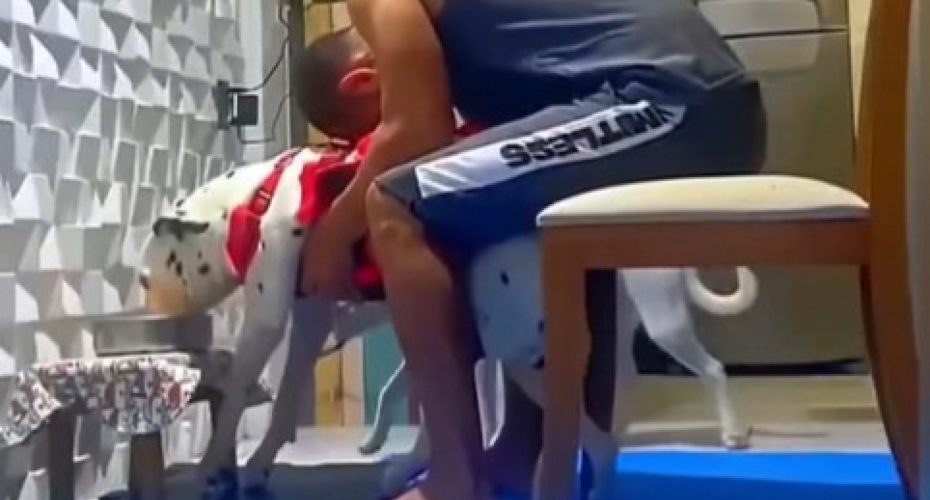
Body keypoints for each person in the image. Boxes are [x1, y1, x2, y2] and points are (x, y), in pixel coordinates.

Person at [298, 1, 767, 499]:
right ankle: (520, 455)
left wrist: (333, 233)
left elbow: (416, 128)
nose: (368, 147)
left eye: (363, 134)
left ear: (361, 83)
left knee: (395, 200)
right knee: (531, 210)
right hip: (704, 102)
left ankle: (453, 481)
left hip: (670, 100)